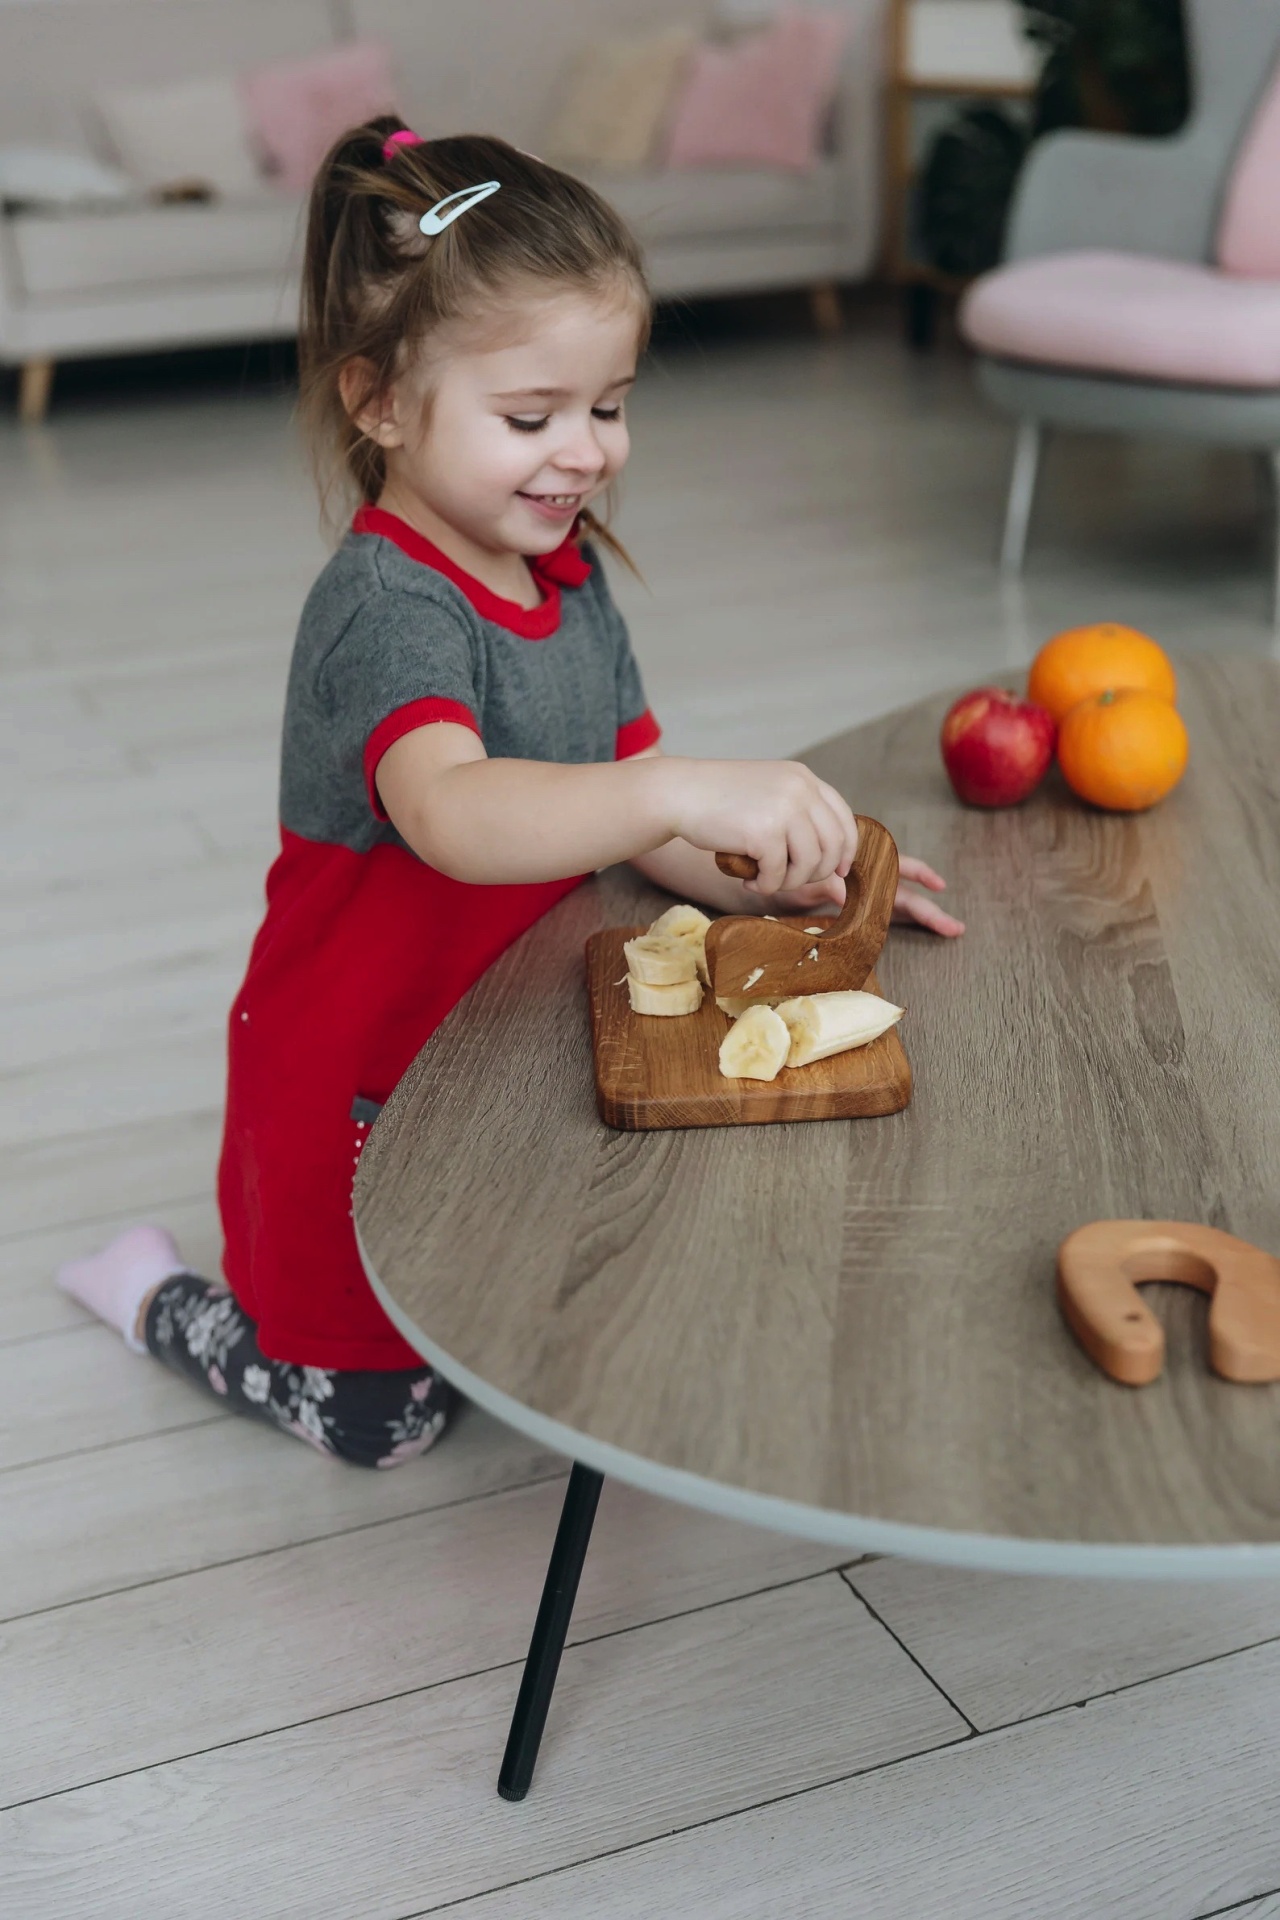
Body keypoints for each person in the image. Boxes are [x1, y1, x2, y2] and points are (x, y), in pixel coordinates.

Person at [58, 122, 964, 1468]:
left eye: (608, 405)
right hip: (362, 1072)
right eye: (531, 418)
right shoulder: (384, 606)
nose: (586, 452)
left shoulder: (574, 574)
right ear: (376, 401)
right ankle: (163, 1302)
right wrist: (684, 783)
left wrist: (768, 883)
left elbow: (639, 815)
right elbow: (459, 815)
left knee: (544, 1308)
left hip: (510, 1051)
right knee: (386, 1420)